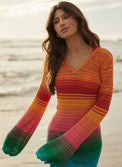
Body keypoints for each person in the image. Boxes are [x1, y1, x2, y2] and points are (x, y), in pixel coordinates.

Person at [2, 1, 113, 167]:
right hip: (56, 138)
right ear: (53, 29)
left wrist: (68, 142)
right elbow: (41, 99)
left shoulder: (103, 57)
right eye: (56, 21)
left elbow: (102, 106)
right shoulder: (54, 59)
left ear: (78, 18)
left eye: (66, 17)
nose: (61, 22)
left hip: (88, 143)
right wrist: (19, 132)